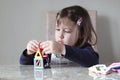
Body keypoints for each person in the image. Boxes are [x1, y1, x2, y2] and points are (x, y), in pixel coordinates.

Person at [20, 5, 99, 67]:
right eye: (57, 30)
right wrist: (29, 53)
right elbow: (25, 63)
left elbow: (93, 61)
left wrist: (63, 49)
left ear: (82, 34)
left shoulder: (85, 48)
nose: (60, 35)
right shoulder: (50, 50)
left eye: (67, 31)